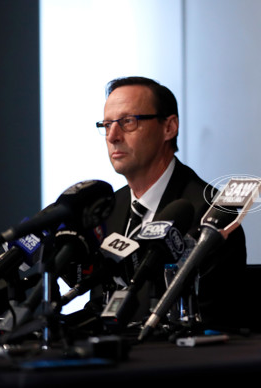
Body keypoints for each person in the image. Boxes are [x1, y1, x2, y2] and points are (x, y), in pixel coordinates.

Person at [88, 76, 247, 332]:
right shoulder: (107, 210)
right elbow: (99, 307)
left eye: (128, 122)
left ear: (169, 127)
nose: (113, 136)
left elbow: (213, 323)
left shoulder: (210, 215)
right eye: (106, 125)